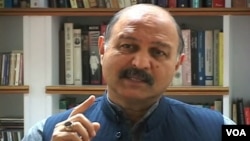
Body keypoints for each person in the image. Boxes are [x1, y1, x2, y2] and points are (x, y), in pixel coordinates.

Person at [22, 3, 235, 141]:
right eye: (127, 46)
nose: (140, 63)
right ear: (103, 49)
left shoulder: (223, 128)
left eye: (158, 52)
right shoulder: (42, 133)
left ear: (178, 64)